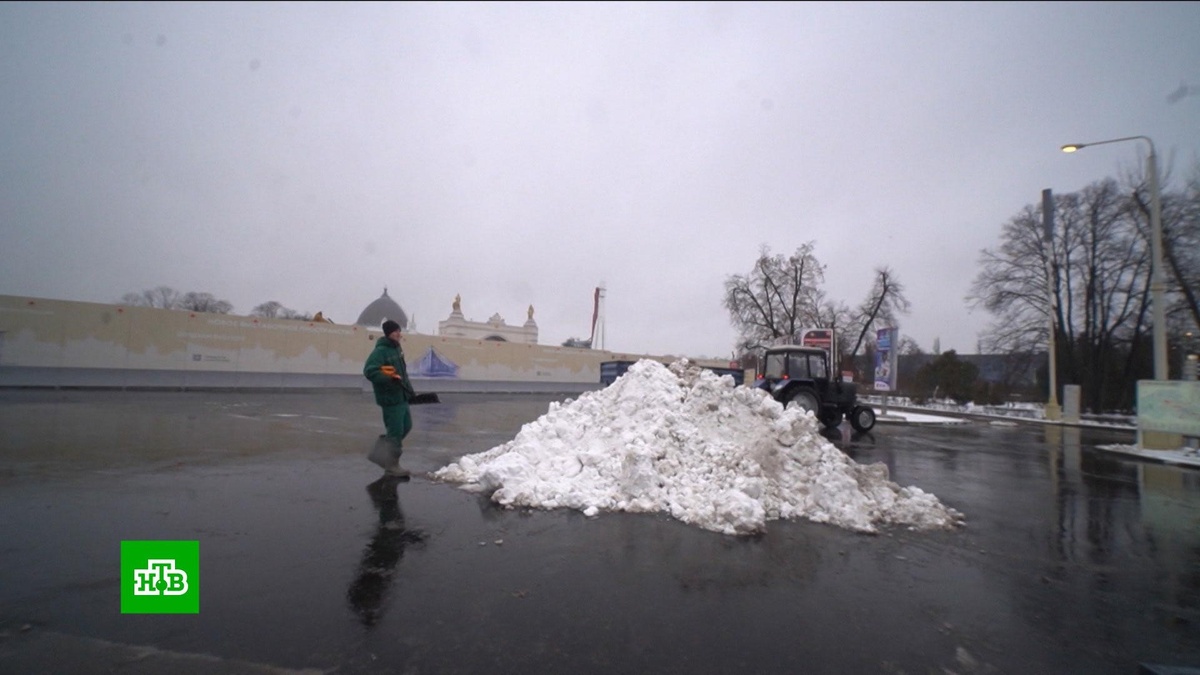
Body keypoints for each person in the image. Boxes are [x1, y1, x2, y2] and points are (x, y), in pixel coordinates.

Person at [363, 319, 415, 477]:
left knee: (407, 426)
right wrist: (388, 378)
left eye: (399, 330)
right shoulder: (380, 351)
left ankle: (380, 453)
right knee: (396, 431)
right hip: (390, 398)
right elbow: (370, 371)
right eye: (395, 331)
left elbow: (402, 374)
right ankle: (392, 465)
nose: (398, 333)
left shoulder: (396, 349)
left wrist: (410, 392)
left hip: (401, 395)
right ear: (388, 333)